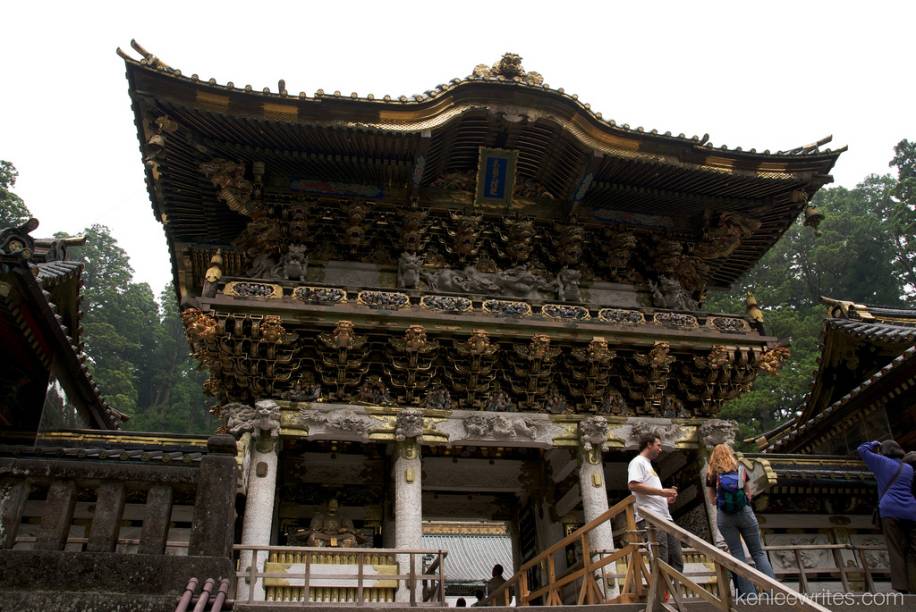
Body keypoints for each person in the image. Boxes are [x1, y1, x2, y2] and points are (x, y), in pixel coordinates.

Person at [705, 443, 775, 596]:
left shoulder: (711, 474)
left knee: (738, 555)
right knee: (758, 553)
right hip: (745, 513)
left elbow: (712, 500)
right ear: (730, 454)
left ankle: (749, 595)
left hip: (725, 517)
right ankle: (772, 592)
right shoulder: (740, 469)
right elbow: (748, 494)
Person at [858, 440, 916, 594]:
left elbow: (862, 450)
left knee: (896, 549)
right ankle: (914, 586)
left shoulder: (882, 463)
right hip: (911, 511)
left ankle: (902, 588)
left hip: (890, 511)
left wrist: (874, 443)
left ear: (885, 451)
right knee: (912, 550)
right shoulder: (908, 468)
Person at [627, 433, 684, 574]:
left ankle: (668, 592)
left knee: (676, 557)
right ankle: (659, 592)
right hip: (650, 516)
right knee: (660, 556)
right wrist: (662, 492)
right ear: (649, 444)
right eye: (658, 445)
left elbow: (651, 491)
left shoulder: (649, 465)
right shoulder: (638, 462)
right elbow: (633, 486)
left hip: (665, 516)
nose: (660, 449)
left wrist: (665, 499)